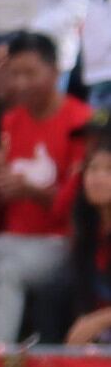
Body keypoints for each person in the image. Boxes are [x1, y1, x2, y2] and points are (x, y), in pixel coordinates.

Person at [0, 32, 86, 343]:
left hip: (59, 243)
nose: (21, 83)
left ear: (54, 72)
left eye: (30, 73)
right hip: (11, 239)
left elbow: (80, 204)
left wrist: (31, 192)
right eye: (15, 74)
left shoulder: (80, 121)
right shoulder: (10, 121)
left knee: (9, 272)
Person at [66, 141, 111, 344]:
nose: (97, 178)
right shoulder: (86, 231)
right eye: (92, 169)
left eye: (109, 170)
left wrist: (99, 320)